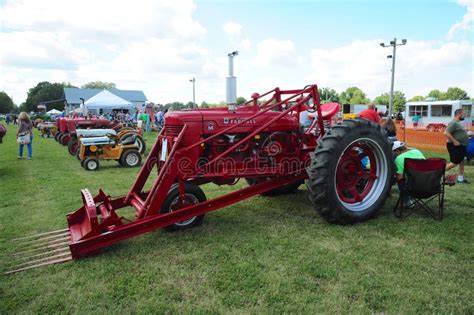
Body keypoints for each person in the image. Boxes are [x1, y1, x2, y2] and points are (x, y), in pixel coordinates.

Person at [392, 141, 426, 207]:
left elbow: (400, 177)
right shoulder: (417, 151)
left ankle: (408, 201)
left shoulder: (399, 159)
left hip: (413, 187)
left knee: (400, 180)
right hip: (428, 184)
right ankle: (413, 199)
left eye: (394, 152)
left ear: (397, 150)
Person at [444, 109, 469, 184]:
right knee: (455, 163)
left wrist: (467, 134)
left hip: (461, 145)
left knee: (461, 161)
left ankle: (460, 179)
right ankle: (437, 173)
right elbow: (446, 133)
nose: (464, 115)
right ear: (459, 114)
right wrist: (455, 141)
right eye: (464, 114)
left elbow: (458, 133)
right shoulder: (453, 123)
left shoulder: (458, 123)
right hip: (454, 145)